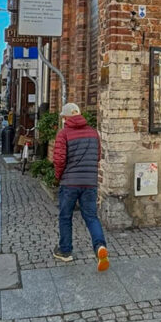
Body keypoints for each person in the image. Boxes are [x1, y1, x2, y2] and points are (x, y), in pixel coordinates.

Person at [52, 103, 109, 271]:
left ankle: (65, 251)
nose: (63, 119)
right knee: (91, 217)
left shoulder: (64, 134)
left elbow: (59, 160)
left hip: (69, 183)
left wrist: (58, 176)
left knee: (65, 217)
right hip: (89, 183)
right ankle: (99, 246)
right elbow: (97, 156)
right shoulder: (93, 133)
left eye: (64, 117)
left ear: (68, 117)